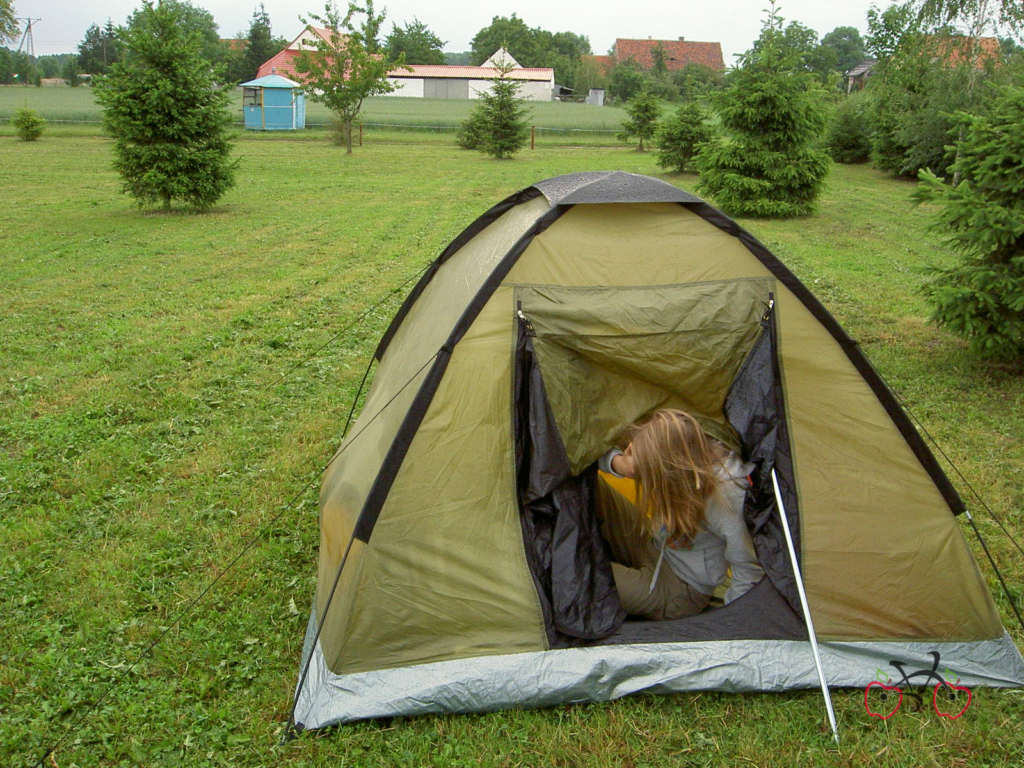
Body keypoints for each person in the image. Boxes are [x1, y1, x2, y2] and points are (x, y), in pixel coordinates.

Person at [596, 409, 764, 621]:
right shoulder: (685, 446)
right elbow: (586, 456)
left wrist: (727, 624)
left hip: (679, 589)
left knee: (581, 577)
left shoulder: (727, 498)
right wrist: (620, 464)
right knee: (594, 486)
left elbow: (749, 569)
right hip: (654, 544)